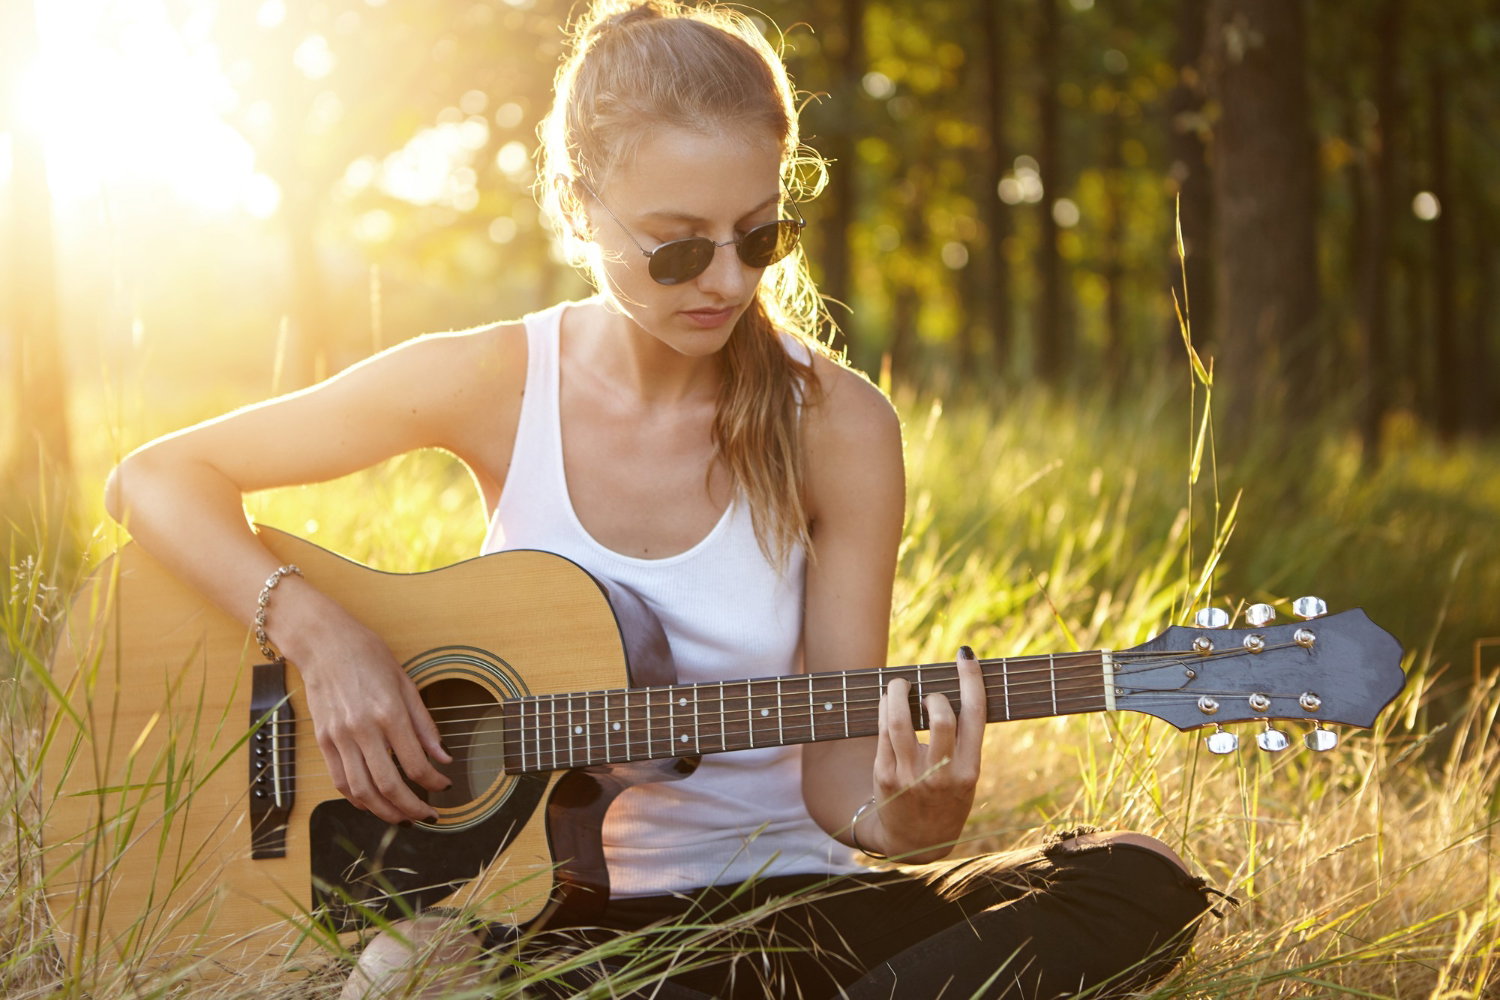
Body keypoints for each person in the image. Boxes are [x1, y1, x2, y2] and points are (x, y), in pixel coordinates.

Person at [105, 1, 1217, 996]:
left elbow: (844, 793)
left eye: (760, 236)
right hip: (551, 918)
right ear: (582, 203)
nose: (729, 280)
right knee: (410, 970)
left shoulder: (841, 425)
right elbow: (155, 477)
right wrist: (320, 633)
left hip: (794, 912)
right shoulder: (492, 380)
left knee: (1135, 883)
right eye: (678, 248)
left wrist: (910, 821)